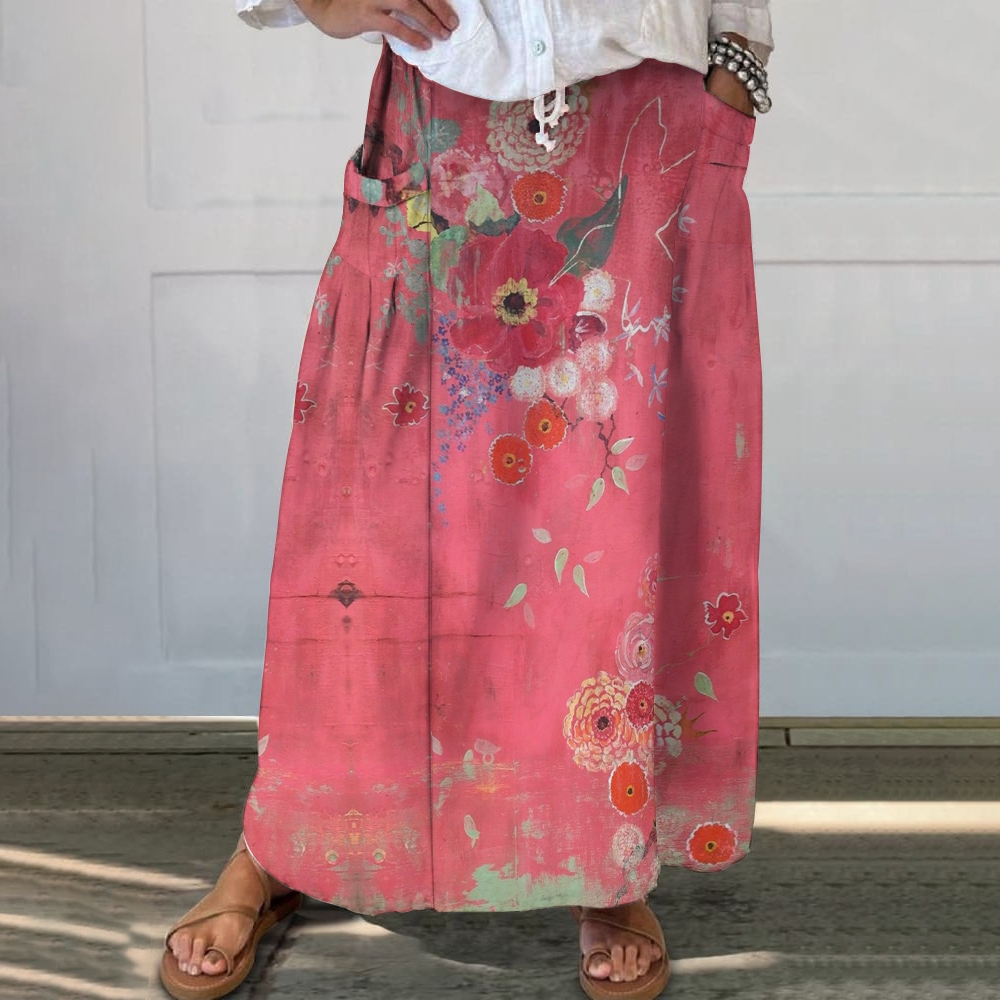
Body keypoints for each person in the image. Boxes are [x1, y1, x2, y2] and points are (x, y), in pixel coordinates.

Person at [160, 2, 772, 998]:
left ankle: (603, 853)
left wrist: (740, 58)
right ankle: (282, 840)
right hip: (441, 106)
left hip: (649, 111)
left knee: (608, 519)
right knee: (364, 530)